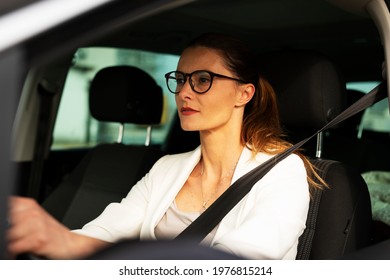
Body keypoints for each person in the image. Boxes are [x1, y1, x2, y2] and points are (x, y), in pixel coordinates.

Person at [7, 33, 325, 260]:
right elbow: (104, 234)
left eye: (203, 79)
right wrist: (51, 238)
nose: (185, 92)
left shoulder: (283, 171)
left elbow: (235, 265)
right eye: (181, 78)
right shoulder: (166, 168)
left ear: (243, 94)